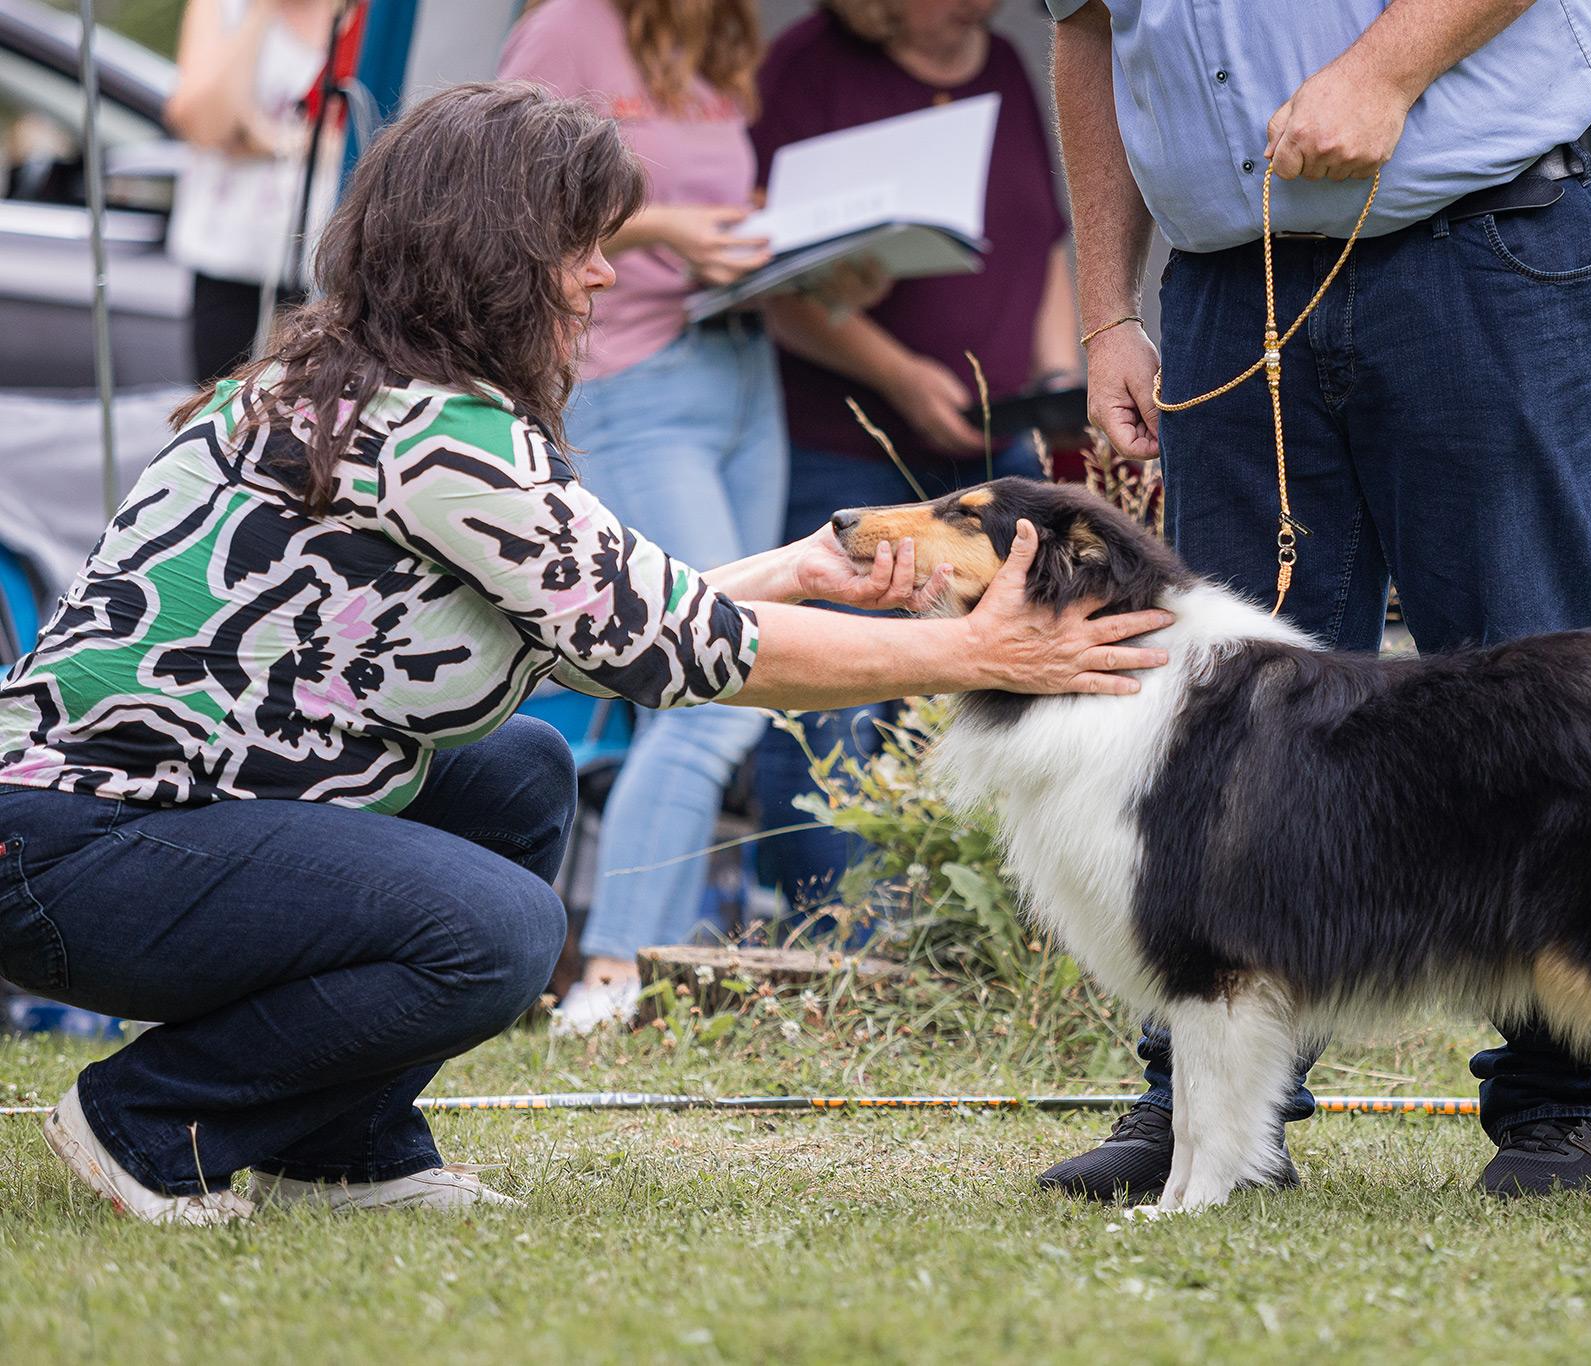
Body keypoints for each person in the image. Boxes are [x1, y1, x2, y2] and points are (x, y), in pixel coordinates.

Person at [0, 83, 1170, 1226]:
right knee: (497, 930)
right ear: (494, 254)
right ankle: (151, 1122)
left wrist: (797, 567)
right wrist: (977, 651)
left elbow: (600, 621)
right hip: (76, 854)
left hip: (102, 830)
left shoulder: (343, 385)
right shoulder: (444, 442)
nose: (605, 272)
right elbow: (682, 654)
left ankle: (340, 1146)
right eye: (580, 245)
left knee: (516, 768)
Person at [1043, 0, 1591, 1202]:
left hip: (1486, 239)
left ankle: (1564, 1106)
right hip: (1229, 278)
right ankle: (1207, 1115)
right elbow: (1088, 29)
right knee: (1209, 727)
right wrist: (1106, 305)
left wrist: (1384, 69)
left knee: (1528, 682)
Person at [747, 0, 1081, 922]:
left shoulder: (1009, 61)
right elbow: (772, 274)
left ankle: (956, 927)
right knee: (830, 686)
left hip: (993, 447)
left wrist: (1056, 376)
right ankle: (834, 933)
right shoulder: (807, 65)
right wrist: (898, 377)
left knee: (1008, 662)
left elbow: (1043, 242)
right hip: (846, 440)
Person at [499, 0, 796, 1032]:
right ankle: (611, 976)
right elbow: (504, 206)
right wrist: (666, 227)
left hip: (740, 369)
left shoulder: (715, 44)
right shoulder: (569, 28)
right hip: (630, 377)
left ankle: (649, 977)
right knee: (710, 676)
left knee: (735, 670)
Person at [165, 0, 345, 381]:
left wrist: (254, 134)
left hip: (332, 266)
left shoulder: (365, 16)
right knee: (227, 410)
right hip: (234, 263)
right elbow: (208, 125)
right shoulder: (225, 9)